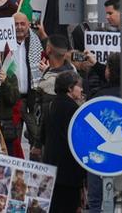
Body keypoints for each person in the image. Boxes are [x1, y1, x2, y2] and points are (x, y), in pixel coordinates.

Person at [42, 71, 84, 211]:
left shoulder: (49, 105)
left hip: (51, 168)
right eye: (79, 86)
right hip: (70, 171)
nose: (82, 89)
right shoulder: (74, 110)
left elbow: (42, 136)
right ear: (70, 88)